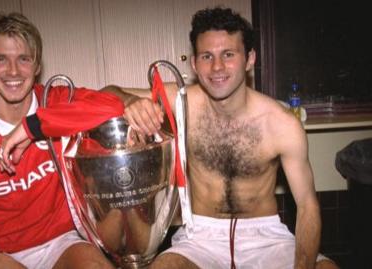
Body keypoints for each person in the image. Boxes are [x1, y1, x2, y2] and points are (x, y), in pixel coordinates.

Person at [101, 7, 339, 269]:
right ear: (194, 63)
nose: (217, 67)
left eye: (228, 54)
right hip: (201, 237)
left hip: (266, 238)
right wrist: (130, 101)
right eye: (206, 56)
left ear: (250, 59)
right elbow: (105, 93)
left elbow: (307, 206)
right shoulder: (181, 103)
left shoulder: (281, 124)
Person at [0, 12, 123, 269]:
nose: (13, 71)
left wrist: (35, 126)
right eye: (0, 59)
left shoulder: (55, 101)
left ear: (38, 65)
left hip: (58, 243)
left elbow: (113, 106)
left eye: (24, 59)